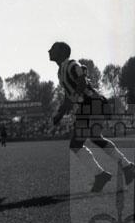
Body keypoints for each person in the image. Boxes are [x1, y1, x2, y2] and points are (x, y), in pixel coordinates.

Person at [50, 41, 135, 192]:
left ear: (62, 51)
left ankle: (103, 174)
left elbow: (82, 83)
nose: (49, 50)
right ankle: (125, 167)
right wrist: (60, 113)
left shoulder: (71, 64)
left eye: (53, 48)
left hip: (91, 104)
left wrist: (70, 103)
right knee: (95, 139)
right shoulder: (61, 71)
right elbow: (68, 96)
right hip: (89, 105)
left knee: (77, 144)